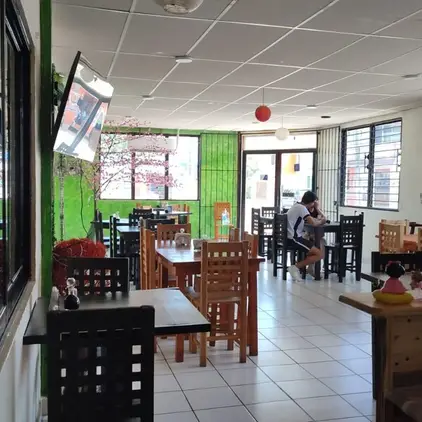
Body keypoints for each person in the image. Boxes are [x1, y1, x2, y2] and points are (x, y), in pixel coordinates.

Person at [287, 191, 326, 282]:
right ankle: (295, 267)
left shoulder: (297, 206)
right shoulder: (302, 208)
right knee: (320, 254)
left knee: (314, 248)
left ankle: (307, 269)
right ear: (312, 202)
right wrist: (321, 221)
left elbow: (311, 220)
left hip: (290, 238)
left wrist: (317, 218)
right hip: (294, 239)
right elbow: (314, 223)